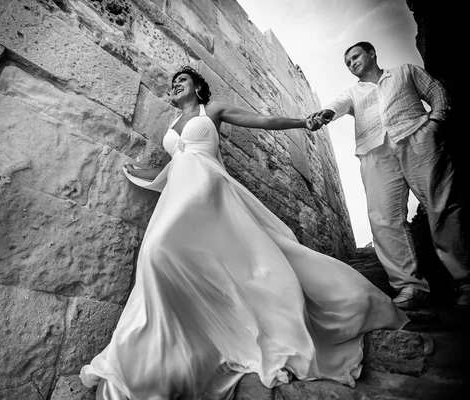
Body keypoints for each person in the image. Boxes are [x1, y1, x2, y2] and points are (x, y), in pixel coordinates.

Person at [79, 65, 409, 399]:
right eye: (174, 82)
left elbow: (261, 121)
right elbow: (173, 165)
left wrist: (302, 122)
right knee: (159, 257)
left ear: (198, 88)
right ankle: (171, 352)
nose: (176, 84)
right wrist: (139, 171)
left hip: (208, 189)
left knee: (159, 251)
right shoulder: (171, 125)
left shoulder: (213, 111)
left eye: (183, 80)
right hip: (179, 192)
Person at [311, 41, 470, 310]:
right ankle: (410, 287)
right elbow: (337, 105)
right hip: (374, 151)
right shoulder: (353, 92)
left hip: (416, 136)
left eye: (355, 56)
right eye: (347, 62)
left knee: (441, 205)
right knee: (383, 218)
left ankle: (468, 282)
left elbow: (436, 92)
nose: (352, 63)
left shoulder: (404, 72)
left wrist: (435, 122)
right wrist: (326, 114)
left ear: (372, 53)